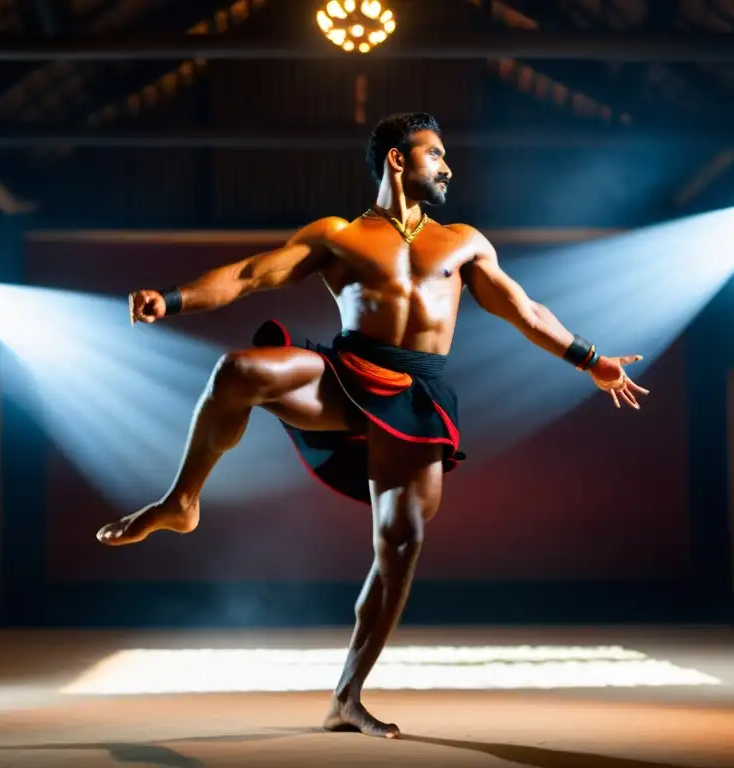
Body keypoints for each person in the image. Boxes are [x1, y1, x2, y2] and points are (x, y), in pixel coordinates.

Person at [95, 113, 648, 738]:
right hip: (347, 373)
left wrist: (591, 359)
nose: (447, 166)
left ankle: (346, 698)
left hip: (420, 395)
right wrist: (171, 299)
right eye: (435, 154)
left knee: (401, 547)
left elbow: (522, 308)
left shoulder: (463, 241)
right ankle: (181, 500)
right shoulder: (340, 236)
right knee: (239, 370)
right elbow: (252, 275)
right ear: (397, 159)